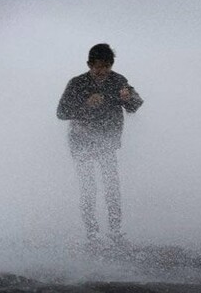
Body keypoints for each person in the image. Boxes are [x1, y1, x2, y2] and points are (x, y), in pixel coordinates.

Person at [57, 43, 143, 247]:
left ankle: (115, 232)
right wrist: (85, 103)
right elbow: (61, 112)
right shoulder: (77, 83)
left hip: (107, 141)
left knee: (112, 187)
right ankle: (92, 234)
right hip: (81, 141)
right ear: (89, 64)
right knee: (89, 188)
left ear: (111, 66)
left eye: (106, 67)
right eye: (97, 67)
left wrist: (129, 97)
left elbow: (135, 105)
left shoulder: (118, 80)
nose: (101, 71)